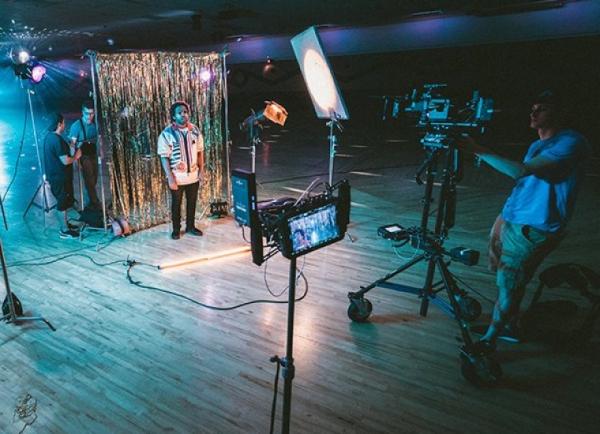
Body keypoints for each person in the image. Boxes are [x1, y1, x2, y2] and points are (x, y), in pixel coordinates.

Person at [459, 90, 591, 353]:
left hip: (535, 228)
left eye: (541, 108)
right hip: (512, 220)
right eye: (532, 107)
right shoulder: (537, 145)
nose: (533, 113)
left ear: (559, 113)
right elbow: (524, 185)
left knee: (509, 283)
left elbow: (521, 172)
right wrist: (502, 217)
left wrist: (478, 150)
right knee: (504, 279)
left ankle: (491, 339)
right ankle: (510, 322)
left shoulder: (571, 143)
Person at [157, 101, 205, 240]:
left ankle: (190, 226)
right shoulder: (167, 134)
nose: (183, 115)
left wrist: (201, 170)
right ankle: (176, 229)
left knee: (192, 202)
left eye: (185, 112)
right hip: (177, 177)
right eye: (180, 113)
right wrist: (170, 177)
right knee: (176, 204)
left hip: (193, 176)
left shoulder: (195, 130)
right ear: (173, 116)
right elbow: (164, 157)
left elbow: (200, 152)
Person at [44, 113, 82, 239]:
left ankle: (66, 225)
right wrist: (76, 156)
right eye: (64, 123)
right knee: (62, 203)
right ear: (59, 124)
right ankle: (64, 230)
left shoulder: (50, 137)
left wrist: (71, 146)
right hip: (59, 177)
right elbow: (65, 161)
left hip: (58, 176)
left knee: (65, 202)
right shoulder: (56, 140)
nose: (65, 125)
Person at [69, 100, 100, 210]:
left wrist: (101, 154)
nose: (89, 116)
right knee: (89, 180)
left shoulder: (95, 124)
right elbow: (72, 144)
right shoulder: (76, 126)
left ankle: (90, 202)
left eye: (92, 113)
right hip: (83, 156)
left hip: (93, 154)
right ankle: (95, 202)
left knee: (94, 179)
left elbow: (98, 139)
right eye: (87, 113)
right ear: (82, 112)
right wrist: (74, 160)